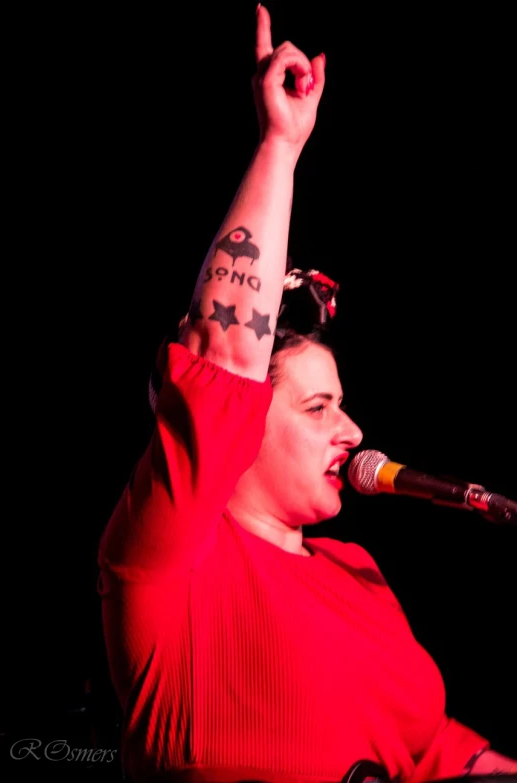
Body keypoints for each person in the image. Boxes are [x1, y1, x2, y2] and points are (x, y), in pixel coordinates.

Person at [97, 6, 516, 782]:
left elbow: (428, 746)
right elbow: (221, 361)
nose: (352, 427)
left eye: (342, 403)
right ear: (242, 423)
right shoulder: (173, 562)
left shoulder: (358, 571)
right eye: (317, 407)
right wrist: (280, 147)